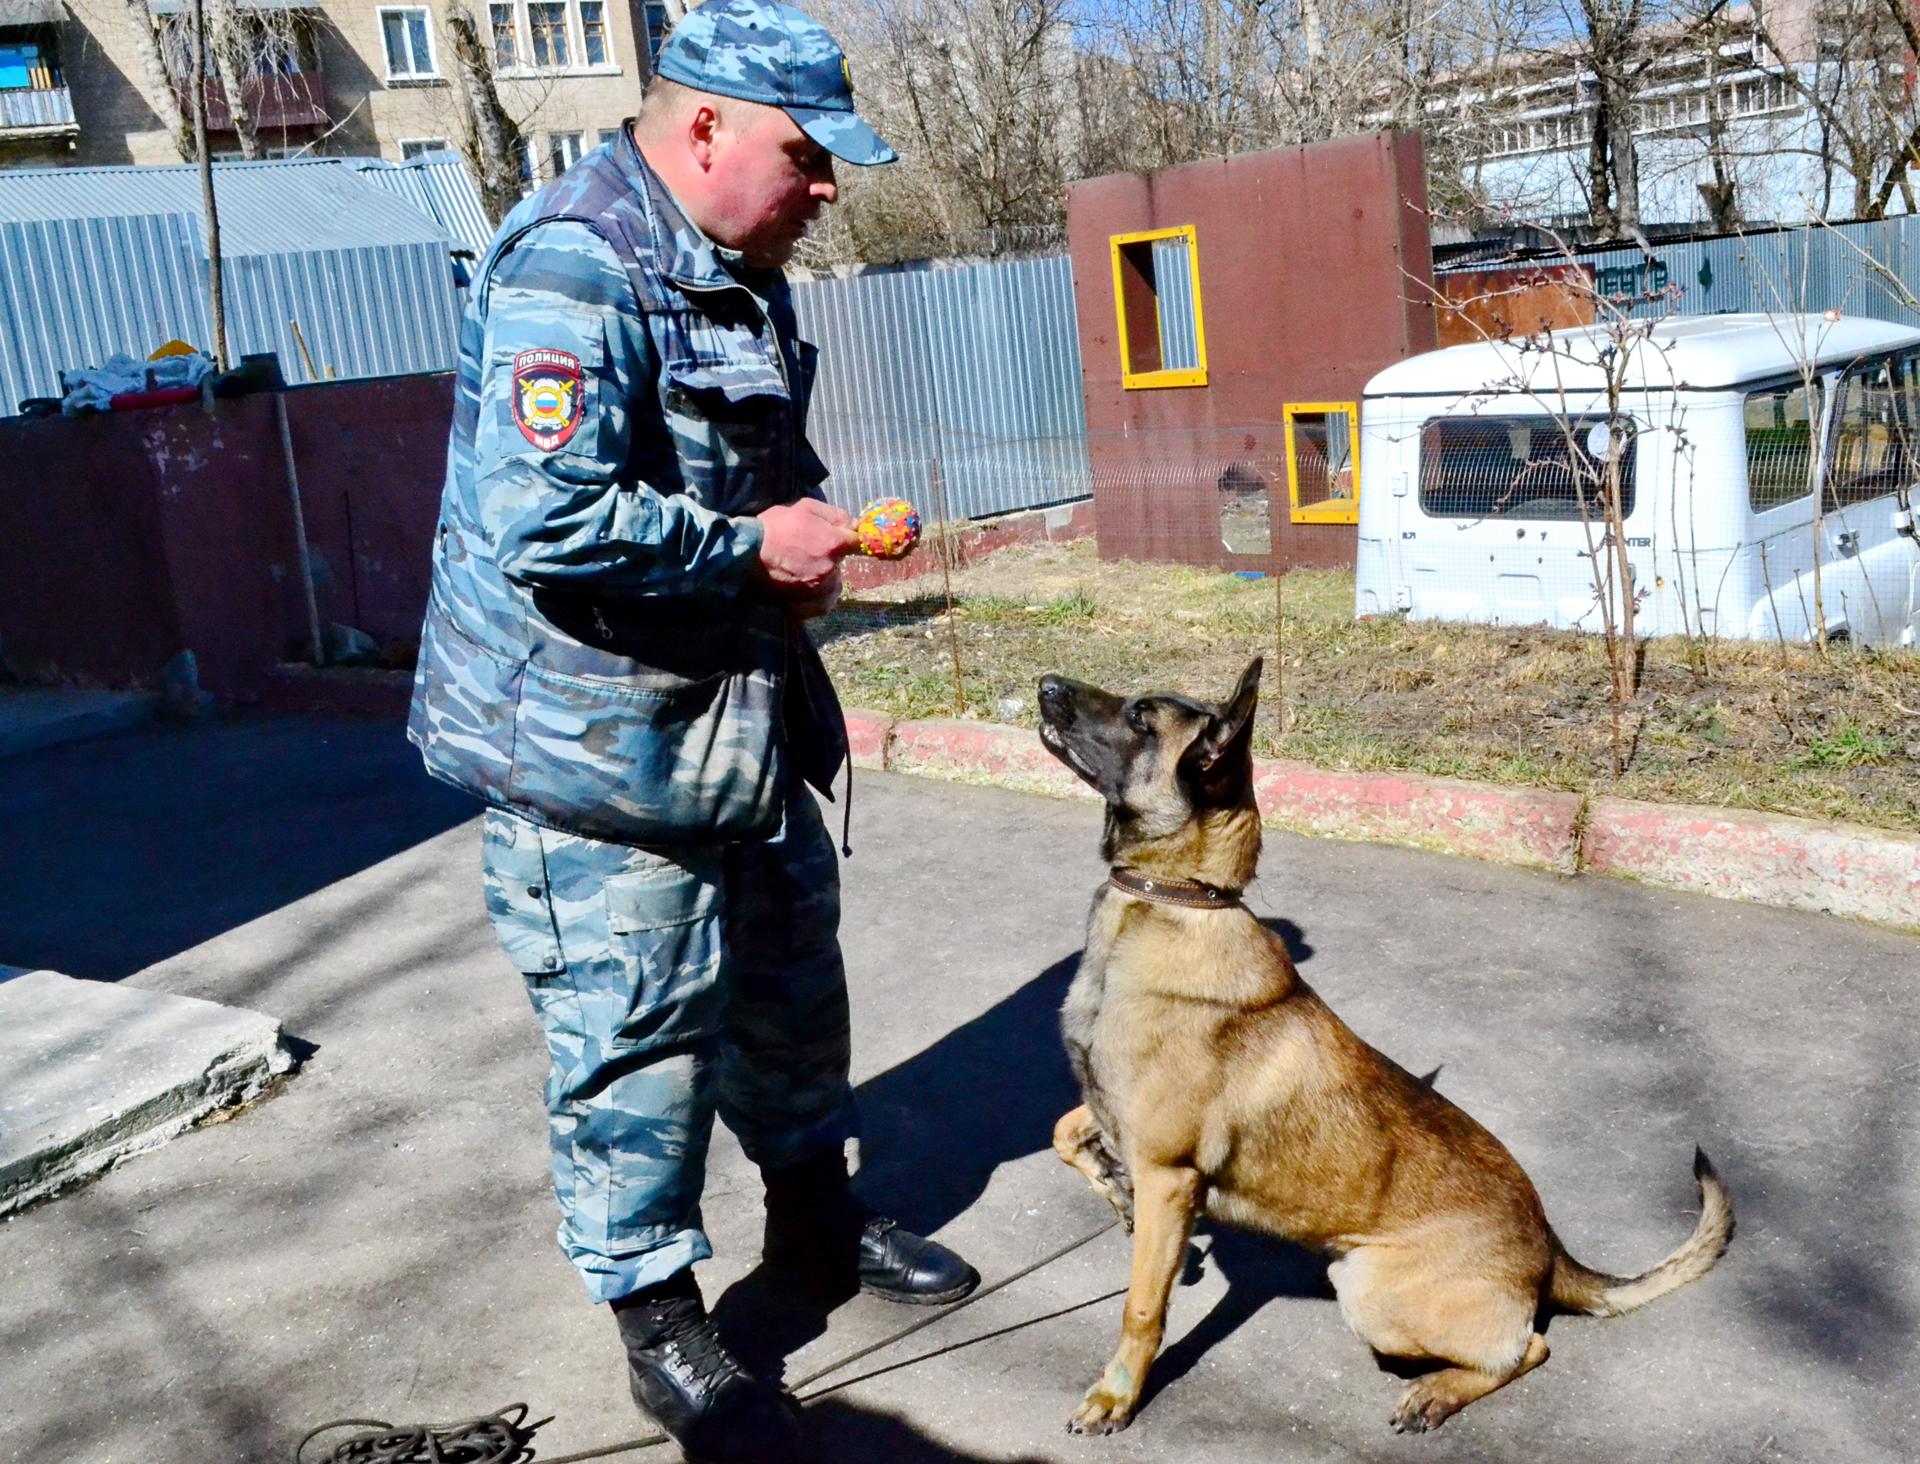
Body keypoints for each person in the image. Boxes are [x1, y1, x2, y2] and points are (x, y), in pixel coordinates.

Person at [407, 3, 978, 1458]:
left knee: (794, 978)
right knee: (636, 1037)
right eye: (808, 154)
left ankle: (816, 1222)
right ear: (704, 125)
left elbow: (755, 467)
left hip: (738, 718)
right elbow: (541, 514)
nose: (831, 187)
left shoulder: (740, 268)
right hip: (598, 757)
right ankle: (659, 1318)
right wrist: (746, 554)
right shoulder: (576, 262)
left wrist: (817, 533)